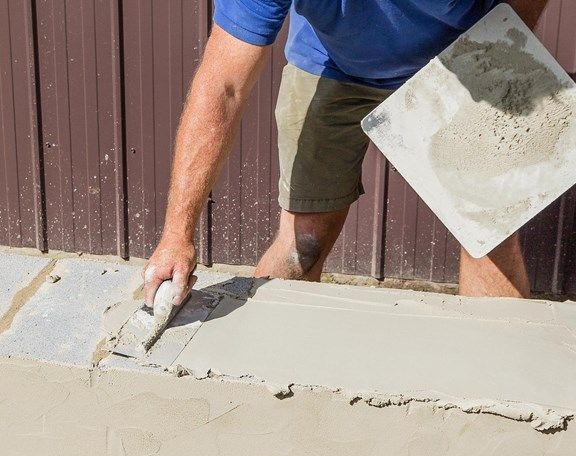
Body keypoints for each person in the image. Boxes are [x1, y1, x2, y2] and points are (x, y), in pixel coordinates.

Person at [143, 0, 549, 308]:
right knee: (302, 242)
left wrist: (500, 53)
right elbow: (224, 88)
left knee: (489, 236)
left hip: (462, 55)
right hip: (330, 63)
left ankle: (499, 396)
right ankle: (266, 373)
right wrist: (177, 236)